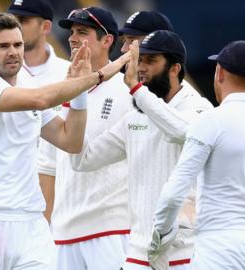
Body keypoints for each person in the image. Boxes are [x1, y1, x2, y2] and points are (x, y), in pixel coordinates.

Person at [0, 12, 130, 270]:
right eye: (3, 46)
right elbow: (40, 100)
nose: (13, 52)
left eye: (18, 45)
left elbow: (71, 141)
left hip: (32, 224)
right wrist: (97, 76)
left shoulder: (29, 84)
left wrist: (79, 94)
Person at [71, 31, 213, 270]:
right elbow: (82, 160)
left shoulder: (198, 107)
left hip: (186, 254)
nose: (141, 67)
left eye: (151, 61)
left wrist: (137, 90)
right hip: (139, 253)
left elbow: (184, 134)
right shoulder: (135, 116)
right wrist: (76, 97)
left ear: (175, 68)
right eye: (140, 60)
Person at [150, 40, 245, 269]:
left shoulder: (210, 122)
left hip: (221, 249)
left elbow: (174, 193)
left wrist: (158, 237)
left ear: (219, 73)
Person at [50, 6, 132, 270]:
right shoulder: (59, 87)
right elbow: (49, 162)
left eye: (82, 32)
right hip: (62, 230)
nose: (73, 38)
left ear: (107, 40)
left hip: (109, 229)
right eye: (71, 32)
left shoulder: (128, 91)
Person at [7, 0, 70, 222]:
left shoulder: (69, 73)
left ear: (45, 27)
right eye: (12, 21)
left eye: (23, 21)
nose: (15, 27)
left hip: (60, 198)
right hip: (7, 196)